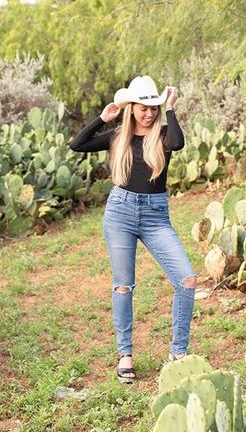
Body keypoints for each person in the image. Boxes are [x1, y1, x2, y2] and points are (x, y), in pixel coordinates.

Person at [69, 76, 197, 382]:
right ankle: (125, 354)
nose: (149, 113)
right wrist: (103, 117)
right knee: (123, 285)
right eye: (143, 107)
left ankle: (178, 353)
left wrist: (170, 109)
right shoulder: (118, 136)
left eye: (152, 107)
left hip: (156, 216)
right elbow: (78, 144)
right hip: (121, 212)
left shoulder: (164, 134)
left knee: (188, 280)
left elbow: (178, 143)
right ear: (132, 108)